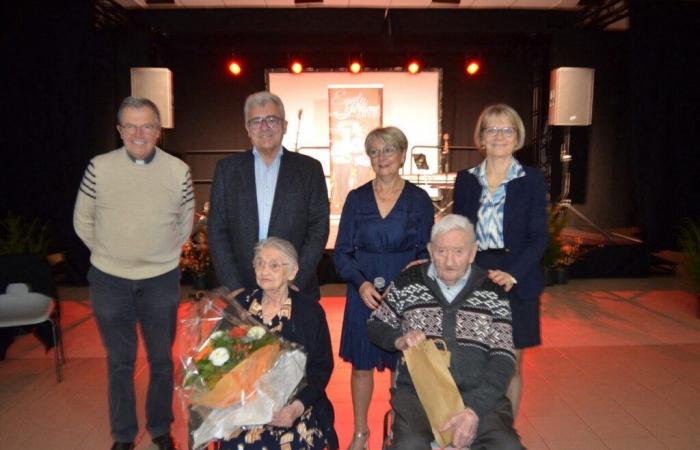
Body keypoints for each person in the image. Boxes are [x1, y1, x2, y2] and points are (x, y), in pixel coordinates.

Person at [73, 96, 194, 450]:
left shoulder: (178, 171)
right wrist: (110, 254)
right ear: (119, 130)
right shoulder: (99, 167)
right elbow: (83, 220)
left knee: (160, 359)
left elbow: (185, 221)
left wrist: (163, 255)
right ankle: (123, 436)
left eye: (147, 126)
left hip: (161, 280)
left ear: (158, 130)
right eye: (130, 125)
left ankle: (160, 430)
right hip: (109, 280)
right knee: (120, 361)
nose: (138, 133)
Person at [367, 214, 522, 450]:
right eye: (441, 251)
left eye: (458, 252)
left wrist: (473, 411)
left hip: (478, 397)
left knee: (507, 446)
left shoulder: (493, 292)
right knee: (410, 445)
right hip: (419, 395)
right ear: (430, 250)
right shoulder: (408, 282)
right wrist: (398, 339)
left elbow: (504, 357)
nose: (449, 261)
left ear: (472, 252)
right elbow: (376, 325)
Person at [333, 126, 434, 449]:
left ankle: (396, 432)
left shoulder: (418, 199)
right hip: (364, 291)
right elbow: (341, 253)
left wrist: (404, 285)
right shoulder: (356, 198)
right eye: (375, 152)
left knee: (399, 366)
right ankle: (361, 433)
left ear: (403, 154)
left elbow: (426, 252)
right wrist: (361, 284)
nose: (382, 157)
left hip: (406, 293)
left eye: (388, 150)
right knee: (361, 367)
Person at [452, 103, 548, 416]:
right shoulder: (466, 179)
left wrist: (513, 274)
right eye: (491, 129)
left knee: (510, 364)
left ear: (517, 136)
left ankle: (505, 434)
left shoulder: (531, 179)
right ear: (481, 136)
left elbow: (539, 238)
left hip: (518, 279)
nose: (499, 135)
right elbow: (459, 232)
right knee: (473, 362)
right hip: (476, 278)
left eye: (506, 129)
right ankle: (472, 429)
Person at [217, 237, 338, 450]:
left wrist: (296, 408)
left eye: (274, 265)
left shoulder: (309, 312)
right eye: (259, 263)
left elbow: (321, 368)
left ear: (292, 272)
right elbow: (218, 359)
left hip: (292, 406)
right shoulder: (240, 306)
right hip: (243, 406)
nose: (265, 270)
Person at [208, 91, 329, 301]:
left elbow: (318, 227)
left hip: (294, 287)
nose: (264, 127)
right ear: (247, 128)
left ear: (285, 125)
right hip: (242, 287)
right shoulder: (227, 170)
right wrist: (233, 284)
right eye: (256, 121)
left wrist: (295, 279)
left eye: (271, 120)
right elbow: (217, 230)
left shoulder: (309, 169)